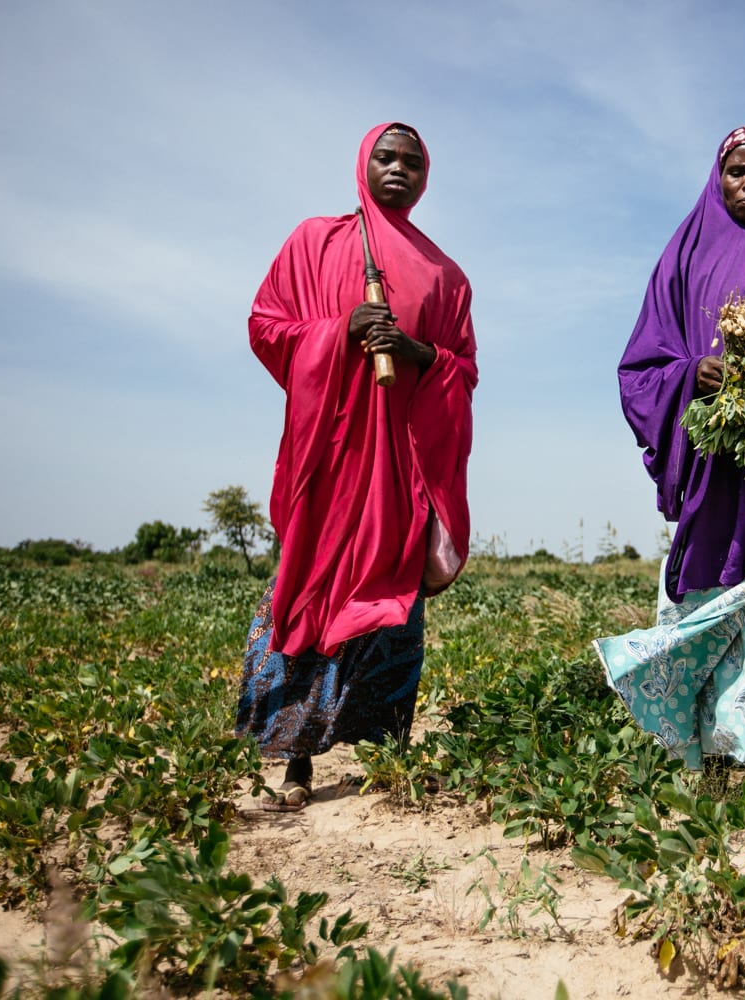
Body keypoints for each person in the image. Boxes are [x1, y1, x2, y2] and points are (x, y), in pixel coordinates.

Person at [594, 125, 745, 803]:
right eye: (738, 171)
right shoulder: (684, 253)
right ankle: (694, 759)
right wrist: (690, 374)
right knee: (706, 604)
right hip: (709, 472)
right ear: (718, 175)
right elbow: (640, 365)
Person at [235, 122, 477, 808]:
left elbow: (464, 366)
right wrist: (338, 330)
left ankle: (386, 754)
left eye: (413, 161)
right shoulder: (316, 241)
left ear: (426, 177)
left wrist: (417, 351)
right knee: (312, 589)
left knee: (392, 602)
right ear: (362, 164)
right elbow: (266, 325)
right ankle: (296, 764)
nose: (399, 169)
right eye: (386, 156)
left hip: (401, 467)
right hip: (333, 456)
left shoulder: (445, 274)